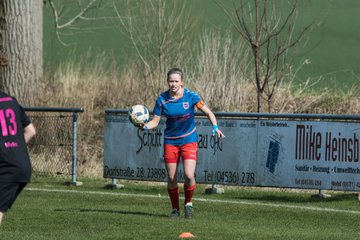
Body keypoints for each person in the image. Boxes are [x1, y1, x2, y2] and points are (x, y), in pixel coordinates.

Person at [142, 68, 225, 219]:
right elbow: (155, 121)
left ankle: (188, 203)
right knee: (172, 178)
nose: (173, 84)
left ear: (182, 82)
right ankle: (175, 209)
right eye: (170, 81)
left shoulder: (191, 97)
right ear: (167, 81)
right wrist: (145, 126)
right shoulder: (162, 100)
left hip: (189, 140)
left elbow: (209, 112)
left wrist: (215, 127)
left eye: (176, 81)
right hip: (171, 142)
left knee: (188, 175)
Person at [0, 91, 36, 225]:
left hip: (6, 167)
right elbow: (31, 131)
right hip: (22, 164)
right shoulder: (11, 101)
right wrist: (14, 148)